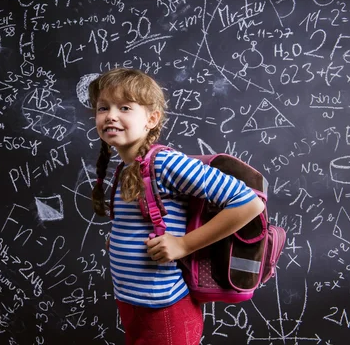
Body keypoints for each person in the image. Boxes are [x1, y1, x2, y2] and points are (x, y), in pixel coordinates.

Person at [88, 68, 265, 345]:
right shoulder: (126, 168)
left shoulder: (165, 163)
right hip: (132, 302)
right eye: (103, 107)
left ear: (151, 119)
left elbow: (248, 203)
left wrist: (183, 245)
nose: (111, 115)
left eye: (124, 107)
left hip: (165, 309)